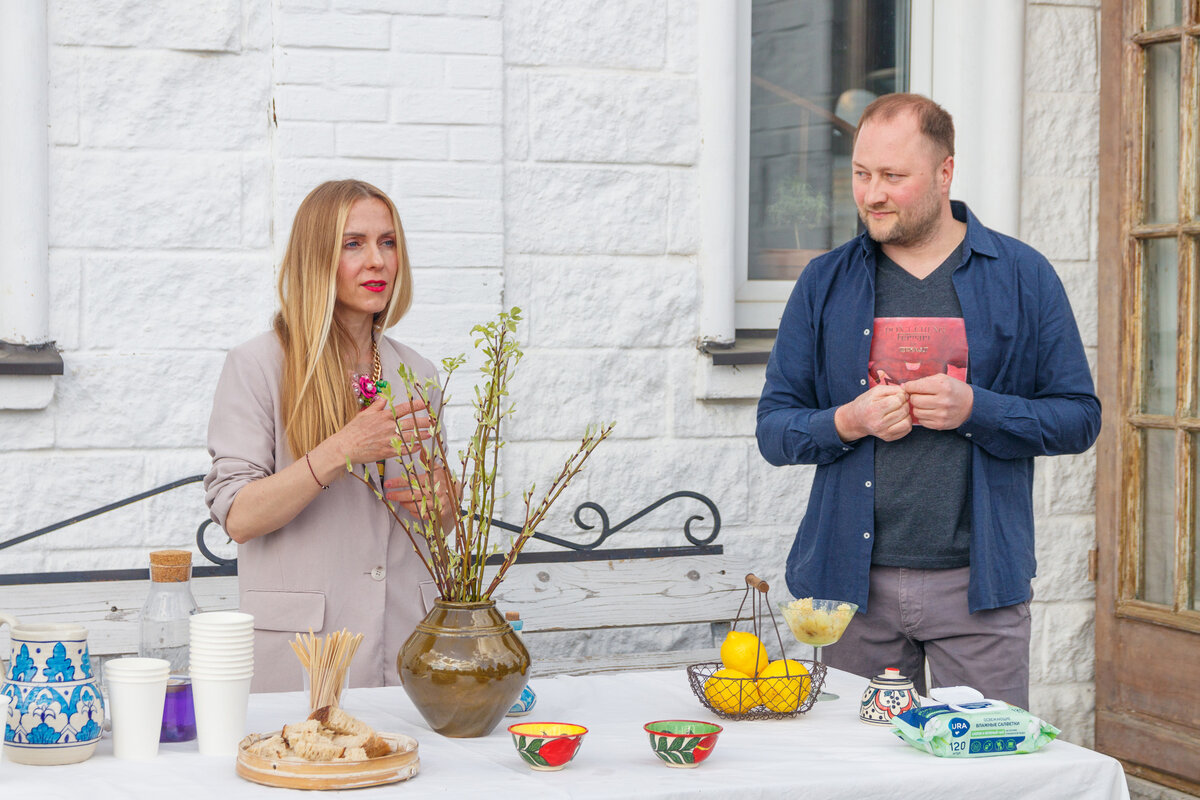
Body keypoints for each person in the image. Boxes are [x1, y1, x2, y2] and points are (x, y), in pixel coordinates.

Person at [756, 94, 1100, 709]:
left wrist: (978, 410)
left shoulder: (1023, 275)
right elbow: (774, 430)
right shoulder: (824, 282)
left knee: (987, 774)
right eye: (862, 174)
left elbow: (1079, 418)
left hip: (978, 589)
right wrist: (847, 420)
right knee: (858, 776)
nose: (872, 194)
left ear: (944, 173)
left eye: (894, 176)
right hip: (848, 591)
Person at [205, 179, 455, 692]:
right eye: (353, 244)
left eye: (388, 242)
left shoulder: (420, 374)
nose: (378, 261)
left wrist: (443, 501)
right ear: (316, 256)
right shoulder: (258, 366)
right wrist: (342, 448)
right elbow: (240, 517)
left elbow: (439, 525)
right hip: (302, 656)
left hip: (408, 650)